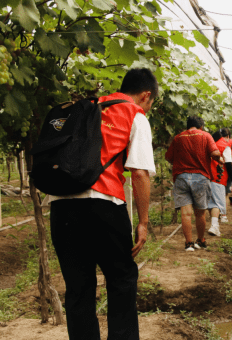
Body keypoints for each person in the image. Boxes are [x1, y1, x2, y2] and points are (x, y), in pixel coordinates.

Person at [46, 68, 158, 340]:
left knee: (78, 287)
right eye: (151, 102)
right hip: (103, 205)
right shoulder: (134, 114)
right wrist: (143, 223)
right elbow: (140, 173)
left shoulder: (86, 107)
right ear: (146, 96)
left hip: (61, 205)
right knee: (121, 280)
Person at [165, 116, 222, 251]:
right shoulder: (205, 135)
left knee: (185, 213)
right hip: (200, 178)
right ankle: (201, 241)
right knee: (200, 213)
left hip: (181, 178)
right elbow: (214, 153)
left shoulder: (178, 138)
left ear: (187, 126)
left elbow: (168, 157)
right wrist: (218, 159)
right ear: (201, 127)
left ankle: (188, 243)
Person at [208, 128, 232, 237]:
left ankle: (214, 225)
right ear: (226, 137)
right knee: (218, 202)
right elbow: (229, 165)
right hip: (219, 177)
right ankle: (214, 226)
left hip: (208, 177)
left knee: (211, 202)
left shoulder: (212, 145)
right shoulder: (225, 146)